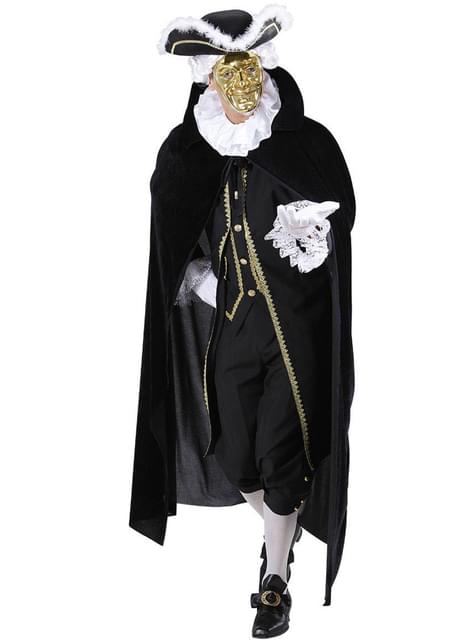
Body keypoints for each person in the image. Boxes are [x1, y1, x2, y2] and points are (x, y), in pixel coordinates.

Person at [129, 5, 356, 638]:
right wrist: (200, 279)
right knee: (232, 452)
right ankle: (280, 527)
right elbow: (171, 234)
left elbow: (341, 214)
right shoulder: (187, 152)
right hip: (231, 327)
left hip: (295, 328)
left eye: (249, 73)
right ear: (206, 81)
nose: (240, 91)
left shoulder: (307, 143)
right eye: (226, 78)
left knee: (283, 450)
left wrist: (314, 235)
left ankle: (274, 580)